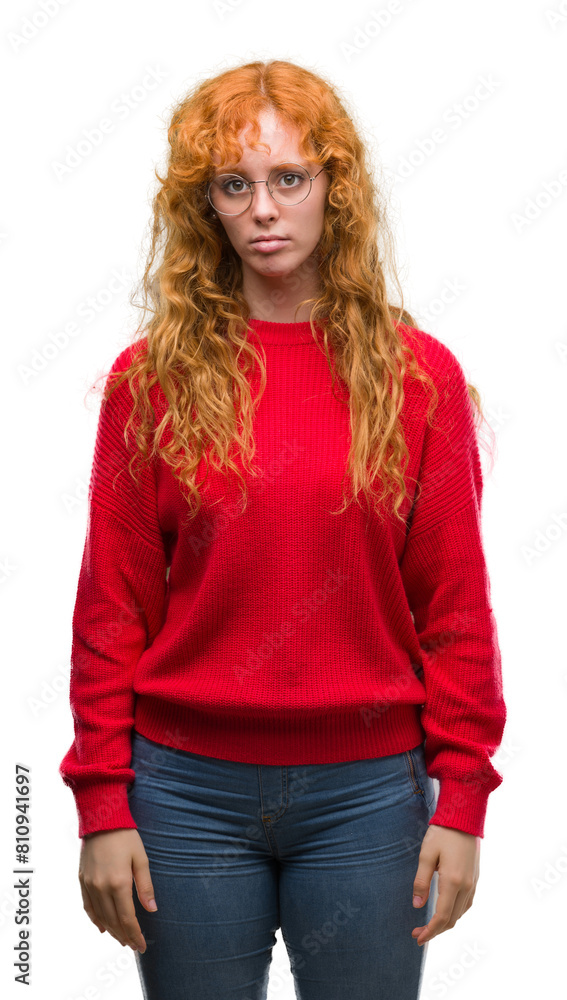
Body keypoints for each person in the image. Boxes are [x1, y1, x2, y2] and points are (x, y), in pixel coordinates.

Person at [59, 58, 507, 1000]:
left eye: (288, 178)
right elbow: (111, 608)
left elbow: (456, 607)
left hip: (370, 798)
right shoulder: (151, 383)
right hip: (182, 795)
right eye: (235, 184)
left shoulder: (414, 379)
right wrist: (102, 800)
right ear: (206, 207)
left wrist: (460, 798)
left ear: (332, 189)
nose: (264, 208)